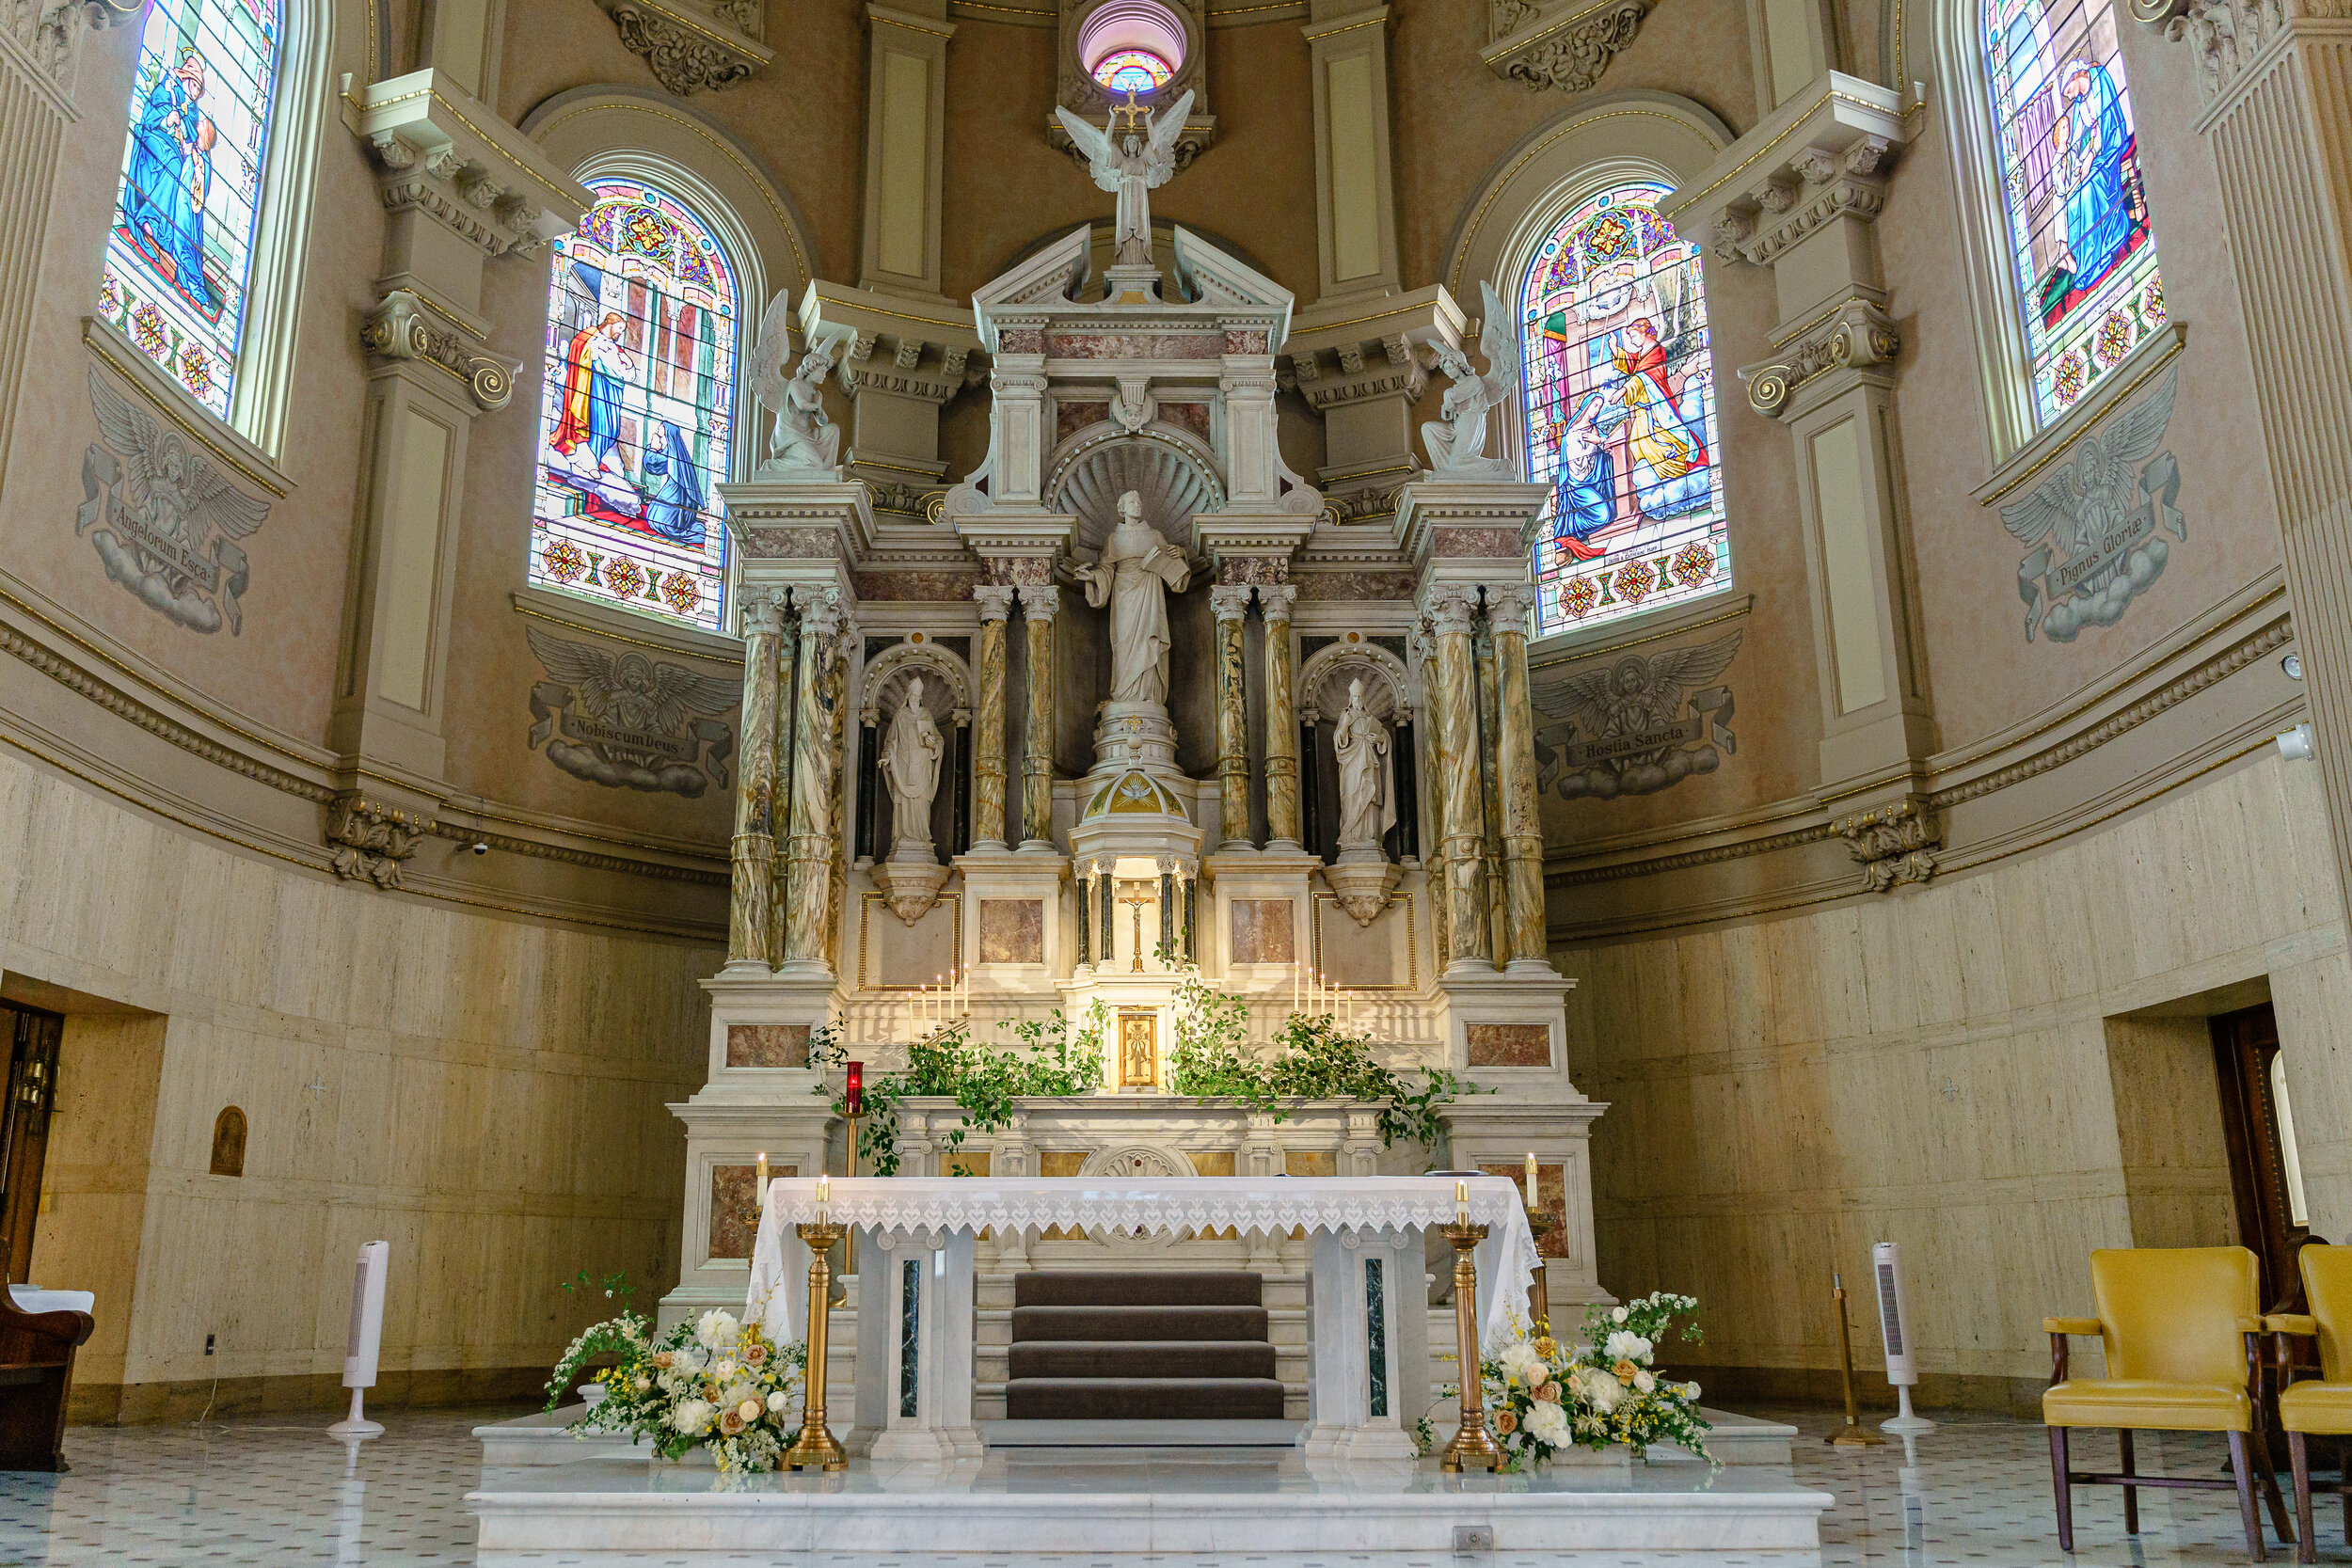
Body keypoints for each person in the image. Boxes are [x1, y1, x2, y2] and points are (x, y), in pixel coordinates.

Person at [121, 52, 219, 314]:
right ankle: (149, 220)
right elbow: (152, 114)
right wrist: (168, 120)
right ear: (186, 78)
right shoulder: (167, 89)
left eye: (199, 88)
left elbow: (191, 137)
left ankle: (165, 234)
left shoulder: (193, 110)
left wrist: (186, 141)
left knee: (180, 169)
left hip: (174, 148)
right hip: (153, 135)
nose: (195, 91)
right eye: (193, 83)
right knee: (173, 165)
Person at [639, 421, 704, 546]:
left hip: (677, 494)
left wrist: (653, 448)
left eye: (662, 426)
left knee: (658, 520)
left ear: (667, 430)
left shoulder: (673, 451)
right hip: (677, 493)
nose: (659, 427)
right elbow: (655, 467)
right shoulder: (673, 448)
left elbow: (652, 464)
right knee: (655, 518)